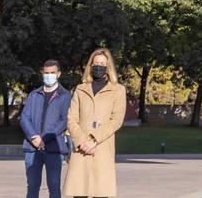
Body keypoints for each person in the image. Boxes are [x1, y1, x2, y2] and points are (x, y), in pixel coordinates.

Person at [64, 48, 127, 198]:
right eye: (95, 63)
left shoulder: (118, 90)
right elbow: (71, 118)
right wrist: (81, 141)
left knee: (100, 192)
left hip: (102, 147)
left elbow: (116, 120)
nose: (98, 66)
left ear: (108, 67)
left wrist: (94, 140)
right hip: (81, 150)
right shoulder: (80, 89)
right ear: (90, 66)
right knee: (80, 192)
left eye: (102, 63)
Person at [21, 59, 72, 198]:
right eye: (46, 73)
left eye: (52, 73)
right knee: (32, 187)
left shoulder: (65, 96)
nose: (49, 75)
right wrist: (34, 137)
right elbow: (25, 117)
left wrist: (45, 138)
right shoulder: (33, 95)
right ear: (42, 73)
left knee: (54, 188)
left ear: (59, 74)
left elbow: (64, 120)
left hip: (54, 148)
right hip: (33, 148)